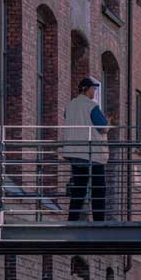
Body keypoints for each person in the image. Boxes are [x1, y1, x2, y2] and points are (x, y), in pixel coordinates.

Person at [61, 76, 110, 222]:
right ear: (87, 90)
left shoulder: (69, 106)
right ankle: (99, 221)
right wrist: (109, 123)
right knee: (98, 189)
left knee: (79, 189)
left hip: (75, 153)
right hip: (92, 155)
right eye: (93, 89)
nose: (94, 92)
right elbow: (102, 128)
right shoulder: (91, 106)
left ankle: (72, 219)